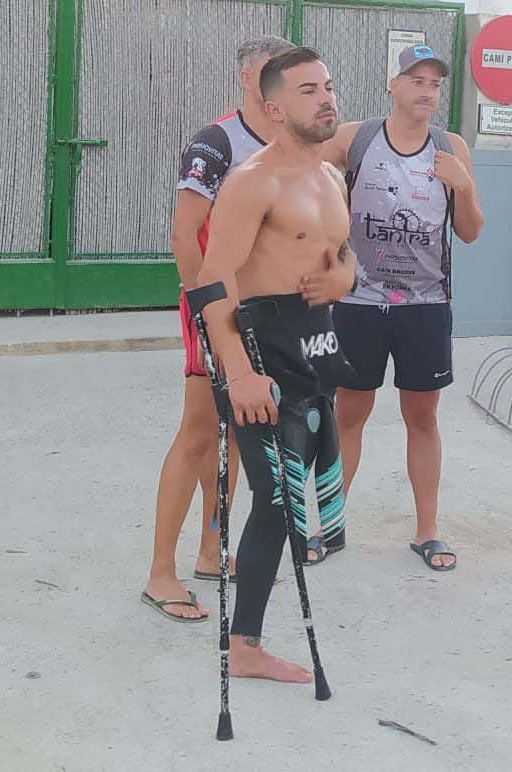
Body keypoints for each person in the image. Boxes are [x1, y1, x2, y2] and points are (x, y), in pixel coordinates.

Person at [189, 46, 356, 682]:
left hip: (314, 349)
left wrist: (341, 281)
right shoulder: (252, 180)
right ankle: (246, 646)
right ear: (275, 106)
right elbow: (211, 280)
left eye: (329, 86)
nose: (326, 98)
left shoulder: (332, 178)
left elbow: (343, 258)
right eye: (309, 90)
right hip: (259, 355)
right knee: (275, 499)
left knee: (290, 498)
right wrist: (237, 371)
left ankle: (248, 640)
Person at [141, 35, 295, 624]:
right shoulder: (216, 143)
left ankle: (212, 549)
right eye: (267, 76)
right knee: (200, 433)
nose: (277, 88)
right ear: (247, 81)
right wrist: (207, 310)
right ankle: (160, 572)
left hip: (267, 312)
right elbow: (185, 236)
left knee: (239, 431)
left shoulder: (288, 148)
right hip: (215, 307)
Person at [321, 43, 484, 571]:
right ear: (392, 84)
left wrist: (463, 188)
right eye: (416, 79)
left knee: (422, 417)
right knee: (349, 413)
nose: (427, 90)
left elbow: (470, 232)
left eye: (435, 83)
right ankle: (329, 525)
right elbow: (303, 182)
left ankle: (428, 531)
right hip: (358, 301)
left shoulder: (451, 147)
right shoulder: (355, 138)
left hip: (425, 305)